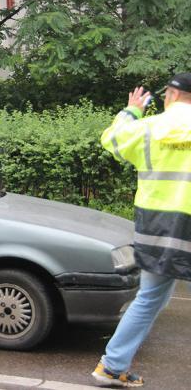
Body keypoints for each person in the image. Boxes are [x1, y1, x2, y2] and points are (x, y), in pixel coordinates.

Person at [92, 74, 191, 387]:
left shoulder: (148, 127)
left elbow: (111, 139)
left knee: (148, 298)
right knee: (150, 299)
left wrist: (132, 110)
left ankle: (111, 367)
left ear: (172, 95)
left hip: (157, 229)